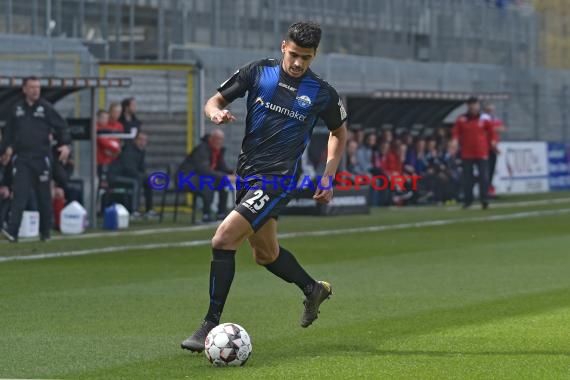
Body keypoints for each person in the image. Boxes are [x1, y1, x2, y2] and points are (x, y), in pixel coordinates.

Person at [181, 21, 348, 352]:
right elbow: (213, 102)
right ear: (284, 46)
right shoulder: (258, 72)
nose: (300, 63)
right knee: (265, 253)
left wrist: (328, 176)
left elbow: (339, 132)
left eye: (308, 57)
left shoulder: (322, 93)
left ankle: (208, 325)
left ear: (315, 55)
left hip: (277, 180)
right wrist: (215, 114)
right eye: (296, 54)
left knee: (223, 239)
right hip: (247, 176)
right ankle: (312, 288)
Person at [0, 76, 71, 242]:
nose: (35, 90)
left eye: (37, 87)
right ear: (24, 89)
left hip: (42, 158)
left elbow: (62, 127)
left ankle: (45, 232)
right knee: (19, 195)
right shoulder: (16, 109)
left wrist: (65, 144)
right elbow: (9, 133)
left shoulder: (46, 108)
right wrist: (5, 151)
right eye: (32, 87)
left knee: (43, 197)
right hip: (22, 158)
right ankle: (12, 232)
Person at [178, 129, 235, 222]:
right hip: (186, 178)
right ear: (211, 139)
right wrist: (225, 176)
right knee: (207, 182)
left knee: (223, 182)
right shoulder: (202, 149)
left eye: (221, 139)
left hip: (201, 178)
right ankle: (206, 215)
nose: (220, 142)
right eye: (218, 139)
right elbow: (203, 170)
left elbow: (222, 167)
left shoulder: (217, 151)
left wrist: (233, 173)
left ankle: (221, 213)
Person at [451, 96, 497, 210]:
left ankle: (484, 199)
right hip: (467, 153)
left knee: (484, 177)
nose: (473, 106)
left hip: (481, 152)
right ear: (467, 106)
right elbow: (456, 133)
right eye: (471, 104)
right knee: (467, 178)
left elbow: (492, 132)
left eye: (475, 104)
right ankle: (468, 200)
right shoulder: (461, 119)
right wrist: (454, 142)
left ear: (478, 105)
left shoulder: (484, 118)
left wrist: (493, 142)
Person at [108, 132, 155, 217]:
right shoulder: (129, 151)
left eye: (145, 140)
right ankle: (134, 210)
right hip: (116, 176)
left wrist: (148, 177)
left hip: (128, 176)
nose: (142, 142)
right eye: (140, 140)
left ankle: (149, 209)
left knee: (148, 181)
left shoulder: (141, 152)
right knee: (136, 182)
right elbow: (129, 170)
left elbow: (141, 170)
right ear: (135, 140)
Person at [482, 102, 506, 197]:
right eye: (489, 109)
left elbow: (502, 128)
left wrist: (493, 128)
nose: (491, 110)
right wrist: (494, 128)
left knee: (491, 169)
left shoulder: (494, 119)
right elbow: (486, 130)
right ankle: (485, 189)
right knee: (485, 170)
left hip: (493, 147)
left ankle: (489, 189)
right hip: (485, 148)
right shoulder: (482, 118)